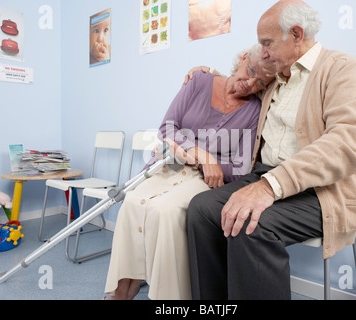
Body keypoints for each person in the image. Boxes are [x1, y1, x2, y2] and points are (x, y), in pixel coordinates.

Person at [186, 0, 356, 300]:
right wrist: (207, 74)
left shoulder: (343, 69)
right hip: (267, 176)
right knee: (203, 209)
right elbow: (244, 79)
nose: (262, 52)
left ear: (297, 34)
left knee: (252, 224)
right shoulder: (276, 78)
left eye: (267, 43)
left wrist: (269, 187)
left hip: (324, 190)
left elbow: (346, 145)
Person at [104, 44, 275, 300]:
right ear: (242, 59)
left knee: (165, 211)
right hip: (168, 164)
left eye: (260, 82)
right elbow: (167, 129)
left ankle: (168, 298)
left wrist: (204, 164)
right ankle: (121, 292)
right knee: (133, 202)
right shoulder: (199, 80)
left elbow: (241, 169)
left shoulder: (253, 111)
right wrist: (204, 157)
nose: (249, 82)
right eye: (250, 71)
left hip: (203, 181)